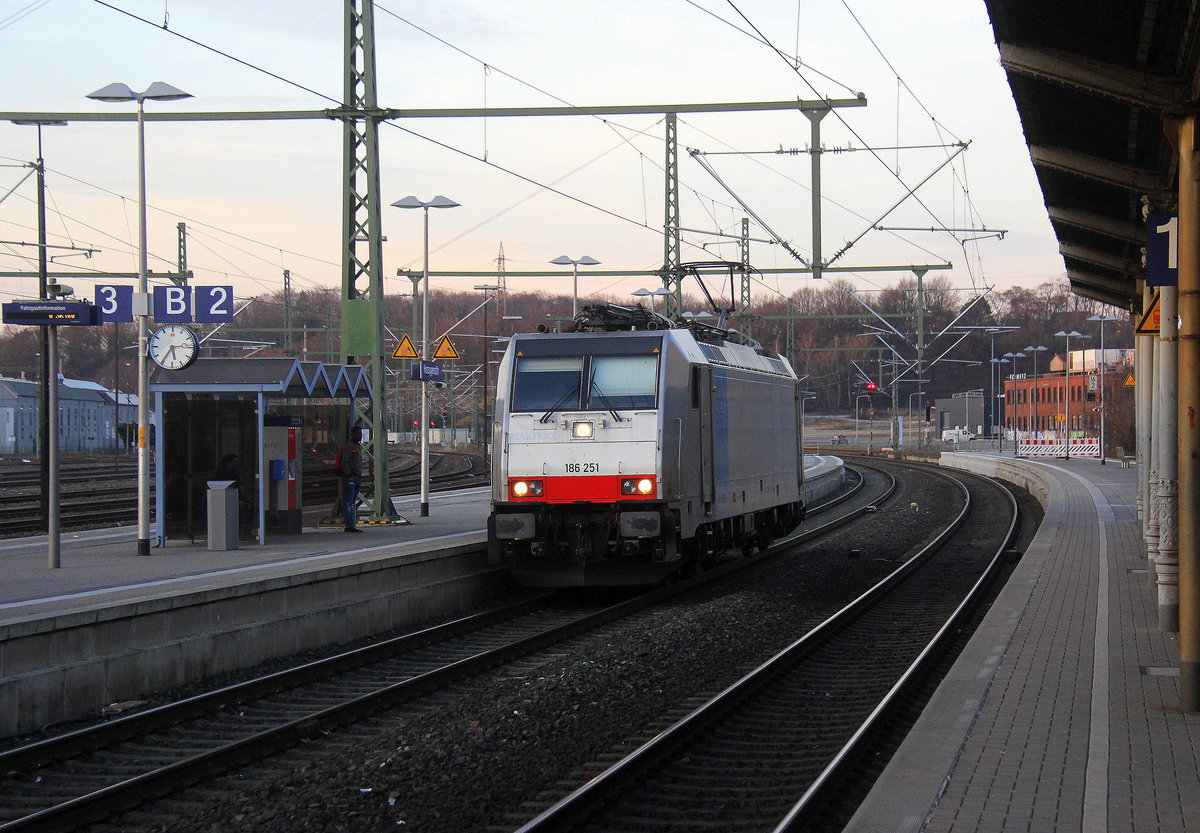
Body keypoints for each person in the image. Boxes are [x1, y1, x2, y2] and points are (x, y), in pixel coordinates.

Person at [337, 426, 364, 533]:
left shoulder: (357, 446)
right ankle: (349, 525)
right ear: (353, 434)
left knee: (352, 502)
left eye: (360, 434)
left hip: (356, 476)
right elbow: (345, 461)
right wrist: (348, 474)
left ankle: (351, 524)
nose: (360, 436)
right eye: (358, 434)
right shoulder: (349, 447)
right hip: (351, 477)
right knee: (349, 502)